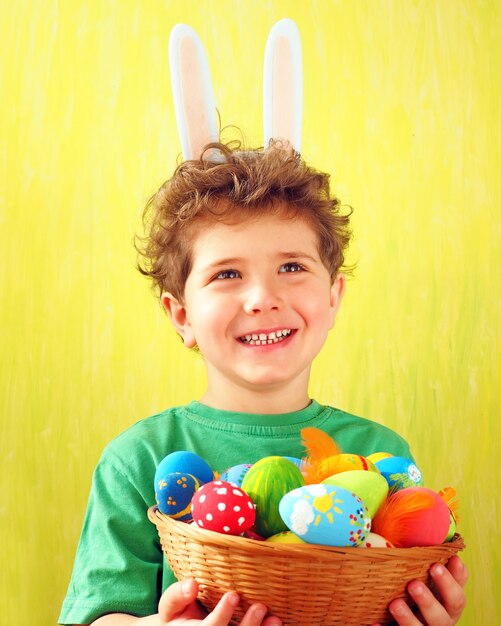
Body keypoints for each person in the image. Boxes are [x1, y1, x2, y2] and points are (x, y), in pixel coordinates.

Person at [59, 142, 468, 626]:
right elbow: (95, 617)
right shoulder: (141, 458)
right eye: (228, 273)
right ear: (182, 315)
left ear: (333, 297)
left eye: (292, 267)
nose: (263, 298)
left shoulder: (379, 455)